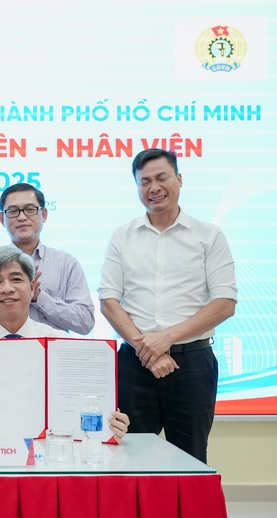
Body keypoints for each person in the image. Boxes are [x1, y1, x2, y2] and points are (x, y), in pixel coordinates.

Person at [99, 149, 237, 463]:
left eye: (161, 178)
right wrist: (147, 349)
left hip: (192, 365)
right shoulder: (122, 236)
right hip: (134, 365)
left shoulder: (209, 235)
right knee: (129, 458)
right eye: (144, 181)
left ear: (179, 179)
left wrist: (166, 339)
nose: (154, 187)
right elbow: (108, 301)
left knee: (190, 459)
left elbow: (224, 303)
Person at [0, 246, 130, 439]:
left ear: (32, 288)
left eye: (16, 279)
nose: (7, 289)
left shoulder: (63, 344)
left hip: (52, 453)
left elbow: (90, 404)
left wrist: (112, 424)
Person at [0, 183, 94, 334]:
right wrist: (4, 300)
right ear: (2, 218)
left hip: (51, 348)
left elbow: (85, 323)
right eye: (13, 211)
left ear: (43, 214)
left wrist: (39, 298)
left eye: (30, 210)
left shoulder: (66, 263)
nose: (22, 217)